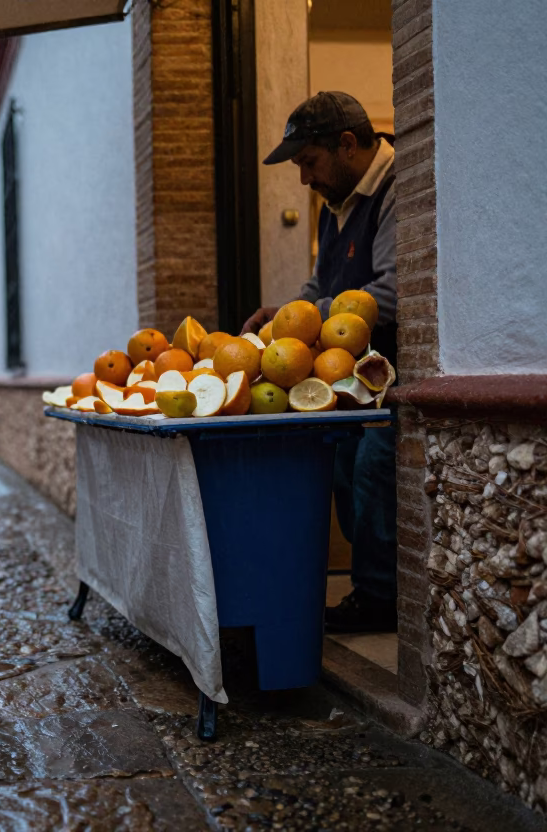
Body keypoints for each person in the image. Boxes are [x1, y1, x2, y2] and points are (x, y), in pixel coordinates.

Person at [243, 91, 398, 633]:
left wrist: (314, 314)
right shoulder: (337, 203)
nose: (304, 180)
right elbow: (320, 286)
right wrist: (286, 314)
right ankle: (374, 587)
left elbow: (392, 291)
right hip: (342, 372)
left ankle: (381, 596)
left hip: (389, 373)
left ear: (347, 145)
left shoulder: (396, 188)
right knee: (338, 464)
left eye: (308, 162)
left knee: (374, 466)